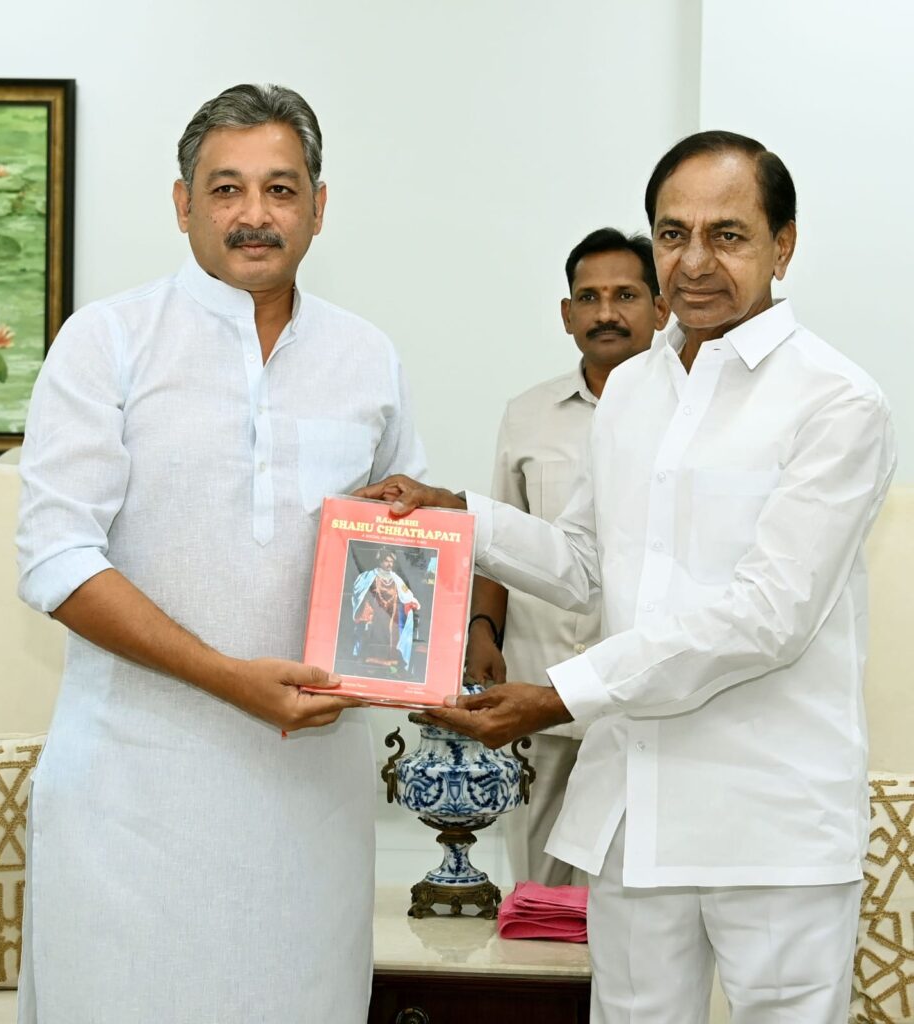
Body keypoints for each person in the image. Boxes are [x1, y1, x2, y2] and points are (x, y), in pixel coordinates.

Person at [360, 131, 896, 1023]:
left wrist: (559, 696)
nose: (696, 261)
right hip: (633, 815)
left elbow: (770, 616)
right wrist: (459, 517)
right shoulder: (634, 392)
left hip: (770, 822)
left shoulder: (836, 400)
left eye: (728, 234)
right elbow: (585, 565)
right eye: (674, 234)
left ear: (784, 245)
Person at [15, 83, 425, 1023]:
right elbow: (55, 559)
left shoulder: (368, 357)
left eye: (280, 189)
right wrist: (228, 677)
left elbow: (404, 545)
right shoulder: (108, 342)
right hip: (130, 800)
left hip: (309, 808)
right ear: (183, 204)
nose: (254, 214)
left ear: (319, 205)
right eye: (226, 188)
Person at [465, 228, 668, 886]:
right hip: (538, 685)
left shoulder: (688, 414)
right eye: (589, 297)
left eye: (625, 295)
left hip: (642, 697)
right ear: (566, 313)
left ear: (660, 307)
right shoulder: (528, 414)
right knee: (539, 889)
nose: (606, 312)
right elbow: (500, 540)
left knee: (638, 886)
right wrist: (483, 632)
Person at [352, 547, 420, 672]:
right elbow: (359, 591)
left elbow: (406, 594)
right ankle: (371, 660)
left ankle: (389, 662)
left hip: (391, 614)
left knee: (391, 636)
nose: (389, 564)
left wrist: (412, 602)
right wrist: (367, 609)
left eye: (391, 561)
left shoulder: (396, 579)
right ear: (380, 561)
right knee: (374, 635)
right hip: (375, 614)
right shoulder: (369, 576)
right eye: (387, 561)